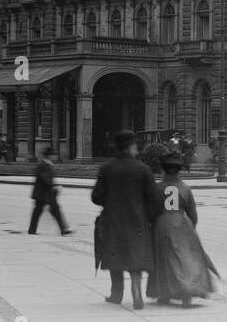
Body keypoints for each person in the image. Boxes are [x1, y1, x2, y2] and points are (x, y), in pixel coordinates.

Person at [91, 129, 163, 310]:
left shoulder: (107, 168)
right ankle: (136, 289)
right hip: (137, 220)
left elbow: (96, 197)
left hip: (113, 219)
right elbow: (154, 198)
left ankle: (116, 293)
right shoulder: (143, 169)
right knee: (136, 254)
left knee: (115, 254)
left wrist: (111, 199)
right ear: (132, 146)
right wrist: (149, 215)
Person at [147, 148, 219, 307]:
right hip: (181, 223)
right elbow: (192, 213)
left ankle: (164, 293)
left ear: (163, 169)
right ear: (179, 170)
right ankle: (187, 290)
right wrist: (191, 229)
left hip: (162, 223)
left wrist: (153, 225)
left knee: (163, 258)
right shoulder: (185, 188)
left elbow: (151, 210)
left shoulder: (158, 188)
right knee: (184, 258)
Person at [28, 147, 72, 235]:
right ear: (48, 156)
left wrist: (53, 186)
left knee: (55, 210)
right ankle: (32, 230)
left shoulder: (49, 164)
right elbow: (44, 178)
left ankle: (63, 229)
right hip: (42, 193)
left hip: (48, 193)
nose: (54, 156)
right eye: (53, 155)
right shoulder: (42, 164)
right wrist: (53, 186)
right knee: (38, 212)